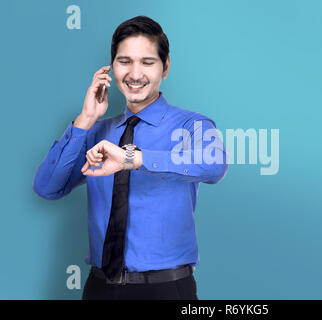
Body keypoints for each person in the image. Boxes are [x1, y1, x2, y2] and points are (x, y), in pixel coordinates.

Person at [33, 15, 228, 300]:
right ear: (111, 67)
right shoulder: (97, 130)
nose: (135, 74)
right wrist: (85, 119)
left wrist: (134, 159)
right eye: (124, 61)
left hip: (165, 289)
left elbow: (215, 165)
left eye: (147, 62)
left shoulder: (191, 125)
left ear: (166, 67)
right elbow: (47, 187)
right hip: (99, 288)